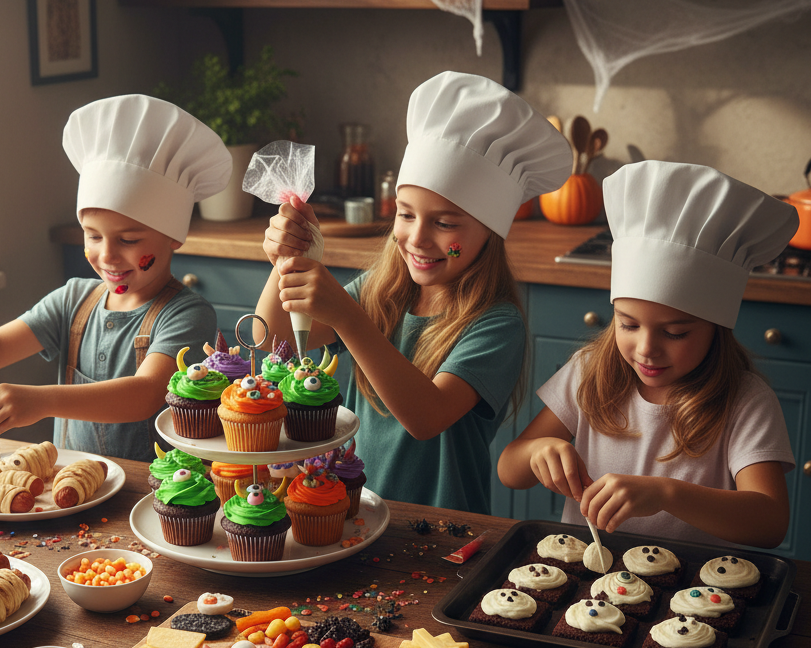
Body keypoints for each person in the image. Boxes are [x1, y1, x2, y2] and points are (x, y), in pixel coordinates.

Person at [255, 72, 572, 512]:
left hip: (442, 530)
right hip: (352, 513)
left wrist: (347, 317)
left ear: (490, 232)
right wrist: (286, 261)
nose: (418, 238)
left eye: (444, 223)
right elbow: (272, 343)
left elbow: (426, 417)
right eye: (406, 215)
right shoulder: (382, 290)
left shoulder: (496, 323)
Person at [497, 161, 798, 548]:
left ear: (716, 329)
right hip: (588, 589)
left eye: (675, 332)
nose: (646, 349)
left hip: (694, 592)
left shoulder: (745, 401)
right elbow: (510, 470)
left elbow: (770, 523)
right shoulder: (589, 373)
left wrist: (665, 494)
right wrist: (539, 451)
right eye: (628, 324)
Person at [0, 94, 231, 460]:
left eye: (129, 240)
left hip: (151, 496)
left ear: (173, 238)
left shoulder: (188, 314)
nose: (107, 255)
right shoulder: (73, 300)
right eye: (93, 235)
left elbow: (145, 393)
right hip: (75, 487)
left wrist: (42, 400)